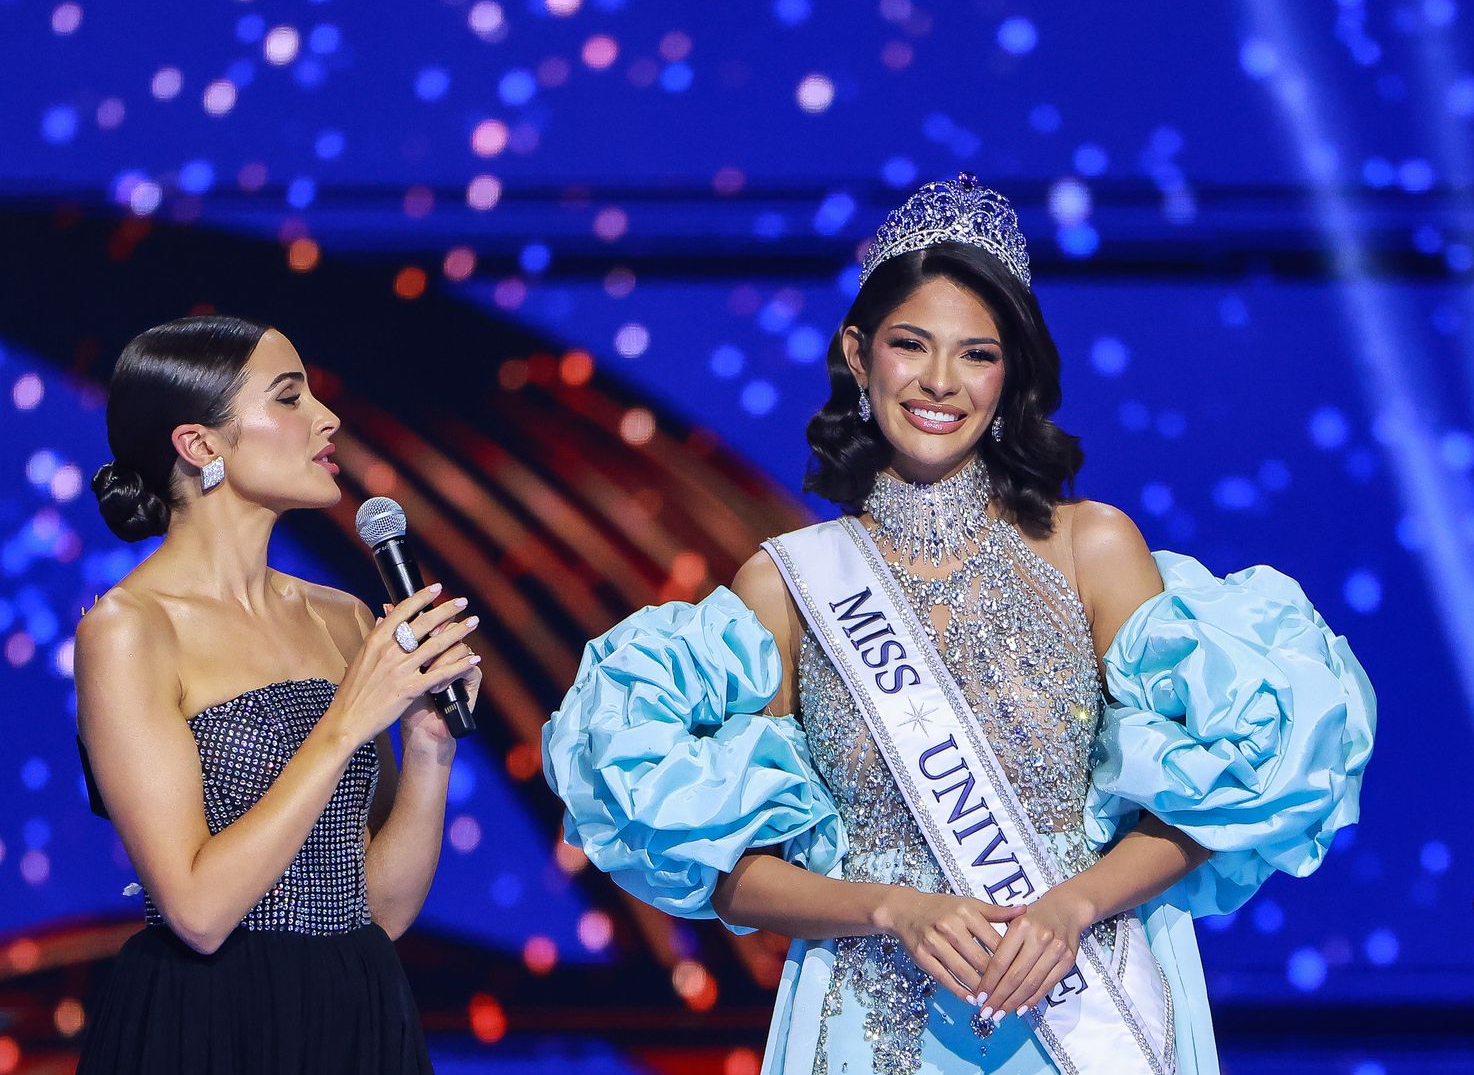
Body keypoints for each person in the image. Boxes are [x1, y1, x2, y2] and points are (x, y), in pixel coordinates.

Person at [543, 174, 1376, 1074]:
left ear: (1010, 373)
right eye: (911, 345)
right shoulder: (789, 585)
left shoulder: (1091, 547)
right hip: (871, 1019)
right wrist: (889, 906)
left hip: (1085, 1002)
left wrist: (1072, 905)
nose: (940, 382)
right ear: (859, 357)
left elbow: (1217, 792)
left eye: (976, 354)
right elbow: (736, 868)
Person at [74, 315, 484, 1073]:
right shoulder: (130, 629)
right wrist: (347, 721)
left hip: (358, 1009)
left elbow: (381, 911)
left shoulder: (343, 616)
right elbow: (196, 913)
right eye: (290, 398)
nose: (326, 420)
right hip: (212, 1022)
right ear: (201, 446)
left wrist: (428, 748)